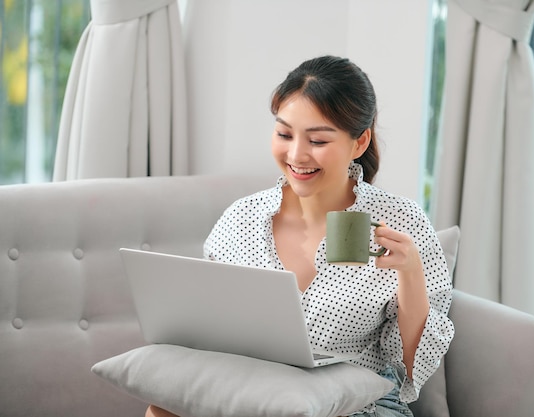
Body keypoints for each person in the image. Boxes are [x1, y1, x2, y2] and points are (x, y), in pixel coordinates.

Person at [146, 55, 454, 417]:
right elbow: (210, 334)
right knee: (163, 408)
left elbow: (411, 366)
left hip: (356, 404)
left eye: (318, 140)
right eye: (284, 134)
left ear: (359, 142)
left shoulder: (401, 220)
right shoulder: (242, 219)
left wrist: (411, 274)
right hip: (258, 394)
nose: (296, 155)